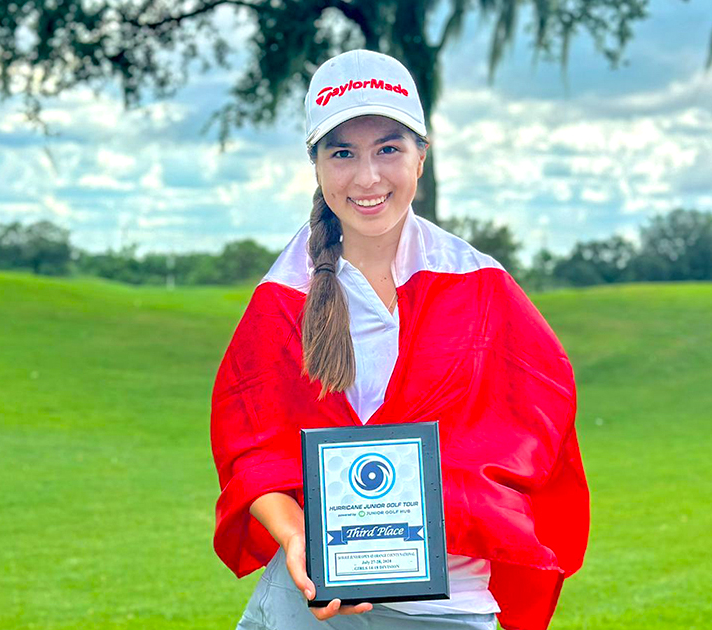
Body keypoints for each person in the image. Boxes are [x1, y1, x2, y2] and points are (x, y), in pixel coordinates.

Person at [210, 50, 589, 630]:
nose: (367, 178)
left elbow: (542, 425)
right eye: (342, 153)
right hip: (312, 602)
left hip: (451, 606)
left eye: (388, 149)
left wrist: (464, 494)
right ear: (316, 165)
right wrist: (297, 535)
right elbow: (254, 455)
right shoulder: (283, 297)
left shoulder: (481, 286)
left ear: (421, 157)